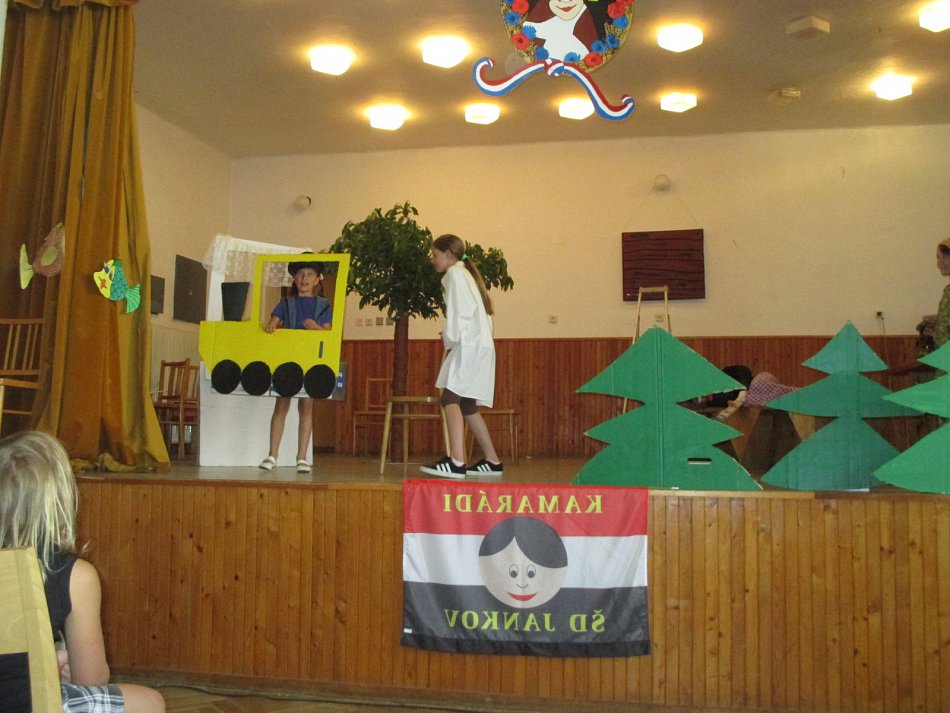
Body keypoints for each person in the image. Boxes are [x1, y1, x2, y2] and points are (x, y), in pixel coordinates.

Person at [0, 431, 165, 713]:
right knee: (150, 702)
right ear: (60, 498)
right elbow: (91, 678)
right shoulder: (75, 576)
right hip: (31, 704)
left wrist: (50, 659)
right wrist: (60, 661)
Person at [421, 234, 503, 479]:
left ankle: (457, 461)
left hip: (468, 345)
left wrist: (449, 336)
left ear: (448, 254)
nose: (433, 260)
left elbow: (461, 314)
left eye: (435, 255)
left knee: (449, 398)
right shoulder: (466, 274)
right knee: (467, 404)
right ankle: (492, 461)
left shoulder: (454, 275)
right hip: (480, 345)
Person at [259, 258, 332, 474]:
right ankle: (272, 454)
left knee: (306, 407)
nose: (304, 278)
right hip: (287, 361)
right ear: (294, 278)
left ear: (317, 280)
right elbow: (273, 323)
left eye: (309, 274)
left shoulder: (324, 305)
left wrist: (314, 327)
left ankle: (302, 457)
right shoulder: (286, 302)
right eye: (300, 274)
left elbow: (328, 333)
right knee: (281, 405)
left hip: (310, 360)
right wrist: (271, 326)